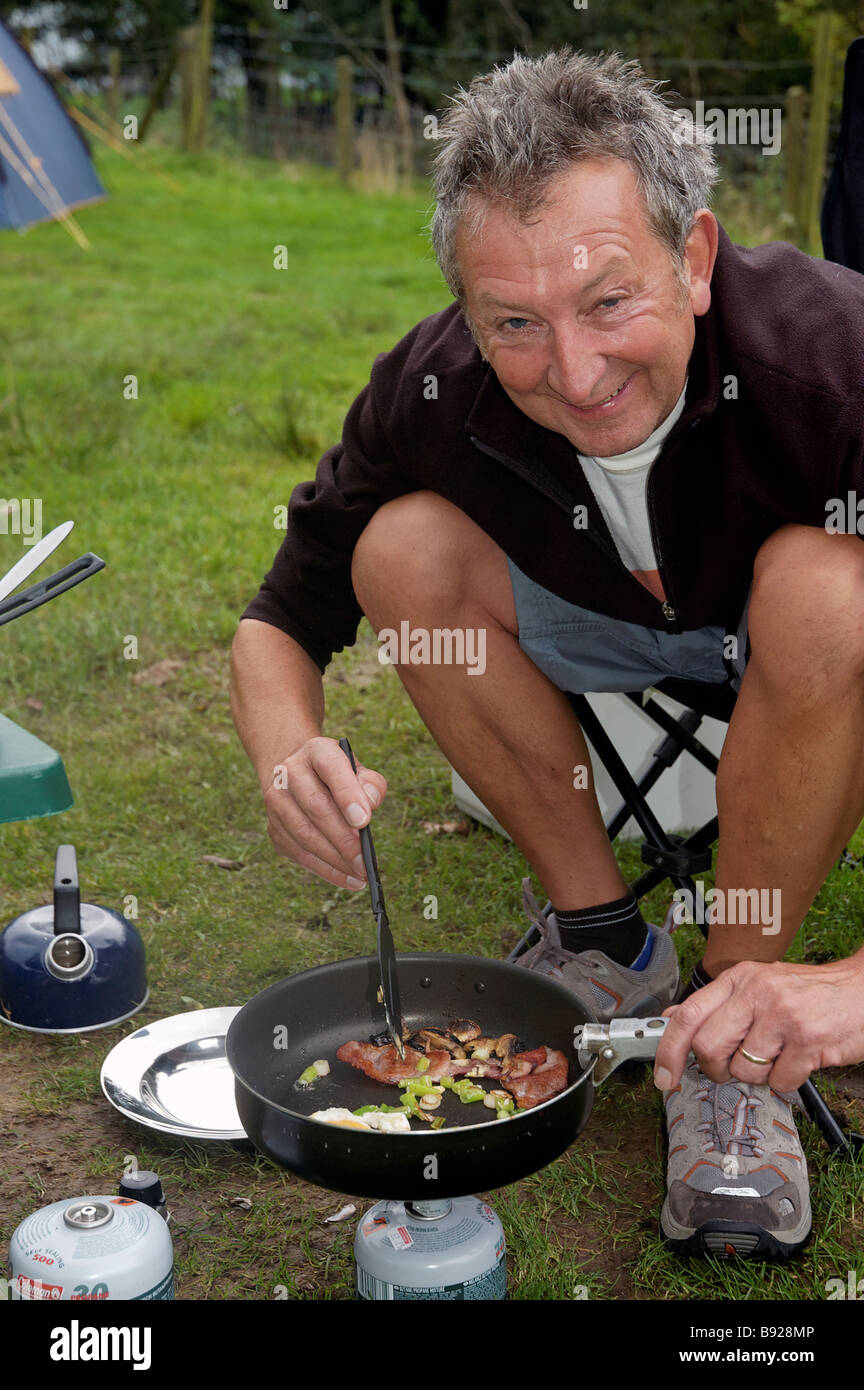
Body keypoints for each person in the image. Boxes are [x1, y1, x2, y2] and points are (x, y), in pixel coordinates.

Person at [230, 50, 864, 1261]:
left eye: (609, 301)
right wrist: (285, 749)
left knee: (828, 589)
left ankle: (740, 1032)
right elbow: (278, 619)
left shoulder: (835, 360)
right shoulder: (436, 386)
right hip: (612, 625)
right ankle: (603, 941)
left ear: (694, 258)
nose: (573, 376)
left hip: (806, 638)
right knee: (401, 551)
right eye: (514, 322)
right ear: (468, 311)